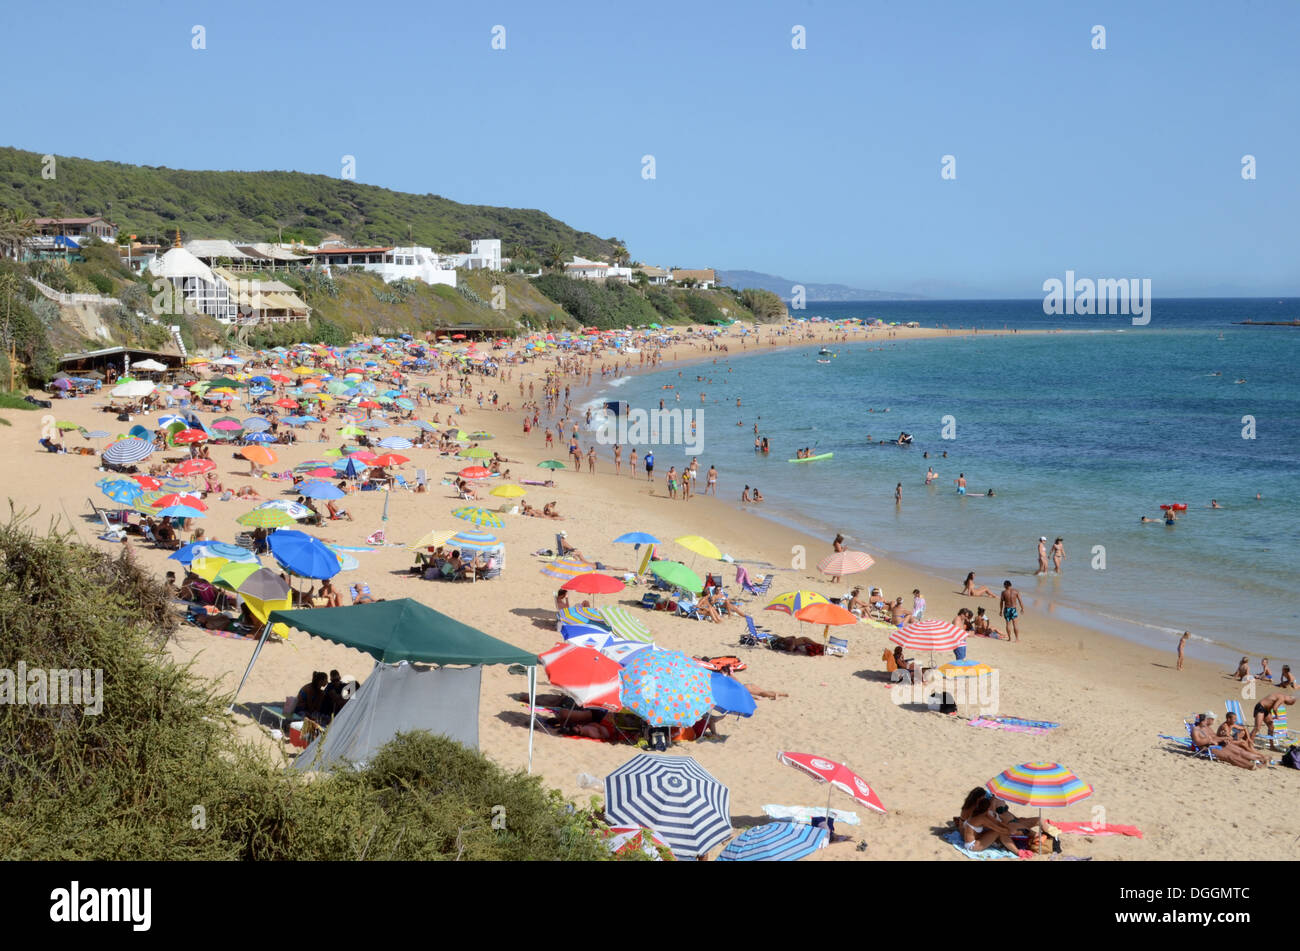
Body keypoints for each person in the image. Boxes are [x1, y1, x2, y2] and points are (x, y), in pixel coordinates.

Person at [1191, 713, 1267, 769]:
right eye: (1205, 721)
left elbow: (1214, 737)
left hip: (1218, 743)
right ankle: (1251, 766)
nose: (1206, 722)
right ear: (1200, 721)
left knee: (1239, 751)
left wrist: (1223, 737)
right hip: (1209, 747)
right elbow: (1198, 742)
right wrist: (1210, 740)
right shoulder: (1195, 730)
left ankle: (1261, 759)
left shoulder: (1205, 728)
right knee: (1230, 757)